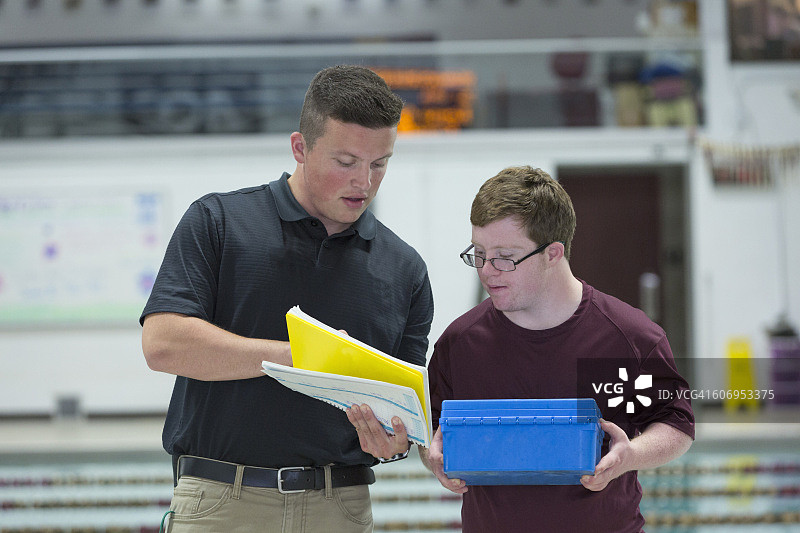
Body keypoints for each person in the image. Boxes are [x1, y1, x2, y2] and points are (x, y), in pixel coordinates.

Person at [140, 65, 432, 532]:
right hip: (222, 503)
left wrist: (392, 442)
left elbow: (405, 414)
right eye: (346, 161)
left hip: (342, 507)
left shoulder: (405, 269)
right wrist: (298, 357)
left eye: (380, 163)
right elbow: (163, 344)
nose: (364, 181)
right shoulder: (218, 222)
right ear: (300, 147)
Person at [419, 165, 694, 533]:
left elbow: (676, 424)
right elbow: (430, 431)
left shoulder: (628, 337)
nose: (487, 270)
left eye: (505, 256)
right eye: (479, 253)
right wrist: (431, 457)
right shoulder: (461, 343)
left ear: (553, 253)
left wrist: (631, 456)